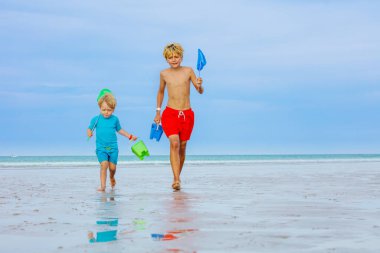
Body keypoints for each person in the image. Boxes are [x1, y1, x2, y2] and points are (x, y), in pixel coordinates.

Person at [154, 43, 204, 191]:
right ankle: (176, 179)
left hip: (187, 114)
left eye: (176, 57)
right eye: (170, 57)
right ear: (166, 59)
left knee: (182, 147)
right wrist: (158, 111)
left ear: (181, 57)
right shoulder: (164, 74)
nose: (174, 60)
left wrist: (200, 85)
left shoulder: (188, 71)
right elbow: (161, 92)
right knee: (174, 143)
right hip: (170, 113)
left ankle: (177, 176)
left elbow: (199, 91)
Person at [87, 92, 137, 191]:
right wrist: (89, 133)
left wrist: (129, 136)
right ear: (99, 108)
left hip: (113, 148)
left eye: (109, 110)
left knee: (112, 168)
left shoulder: (115, 119)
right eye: (103, 109)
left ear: (113, 109)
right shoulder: (96, 119)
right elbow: (89, 128)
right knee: (104, 165)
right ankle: (103, 186)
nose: (106, 112)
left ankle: (112, 177)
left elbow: (120, 130)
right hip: (101, 148)